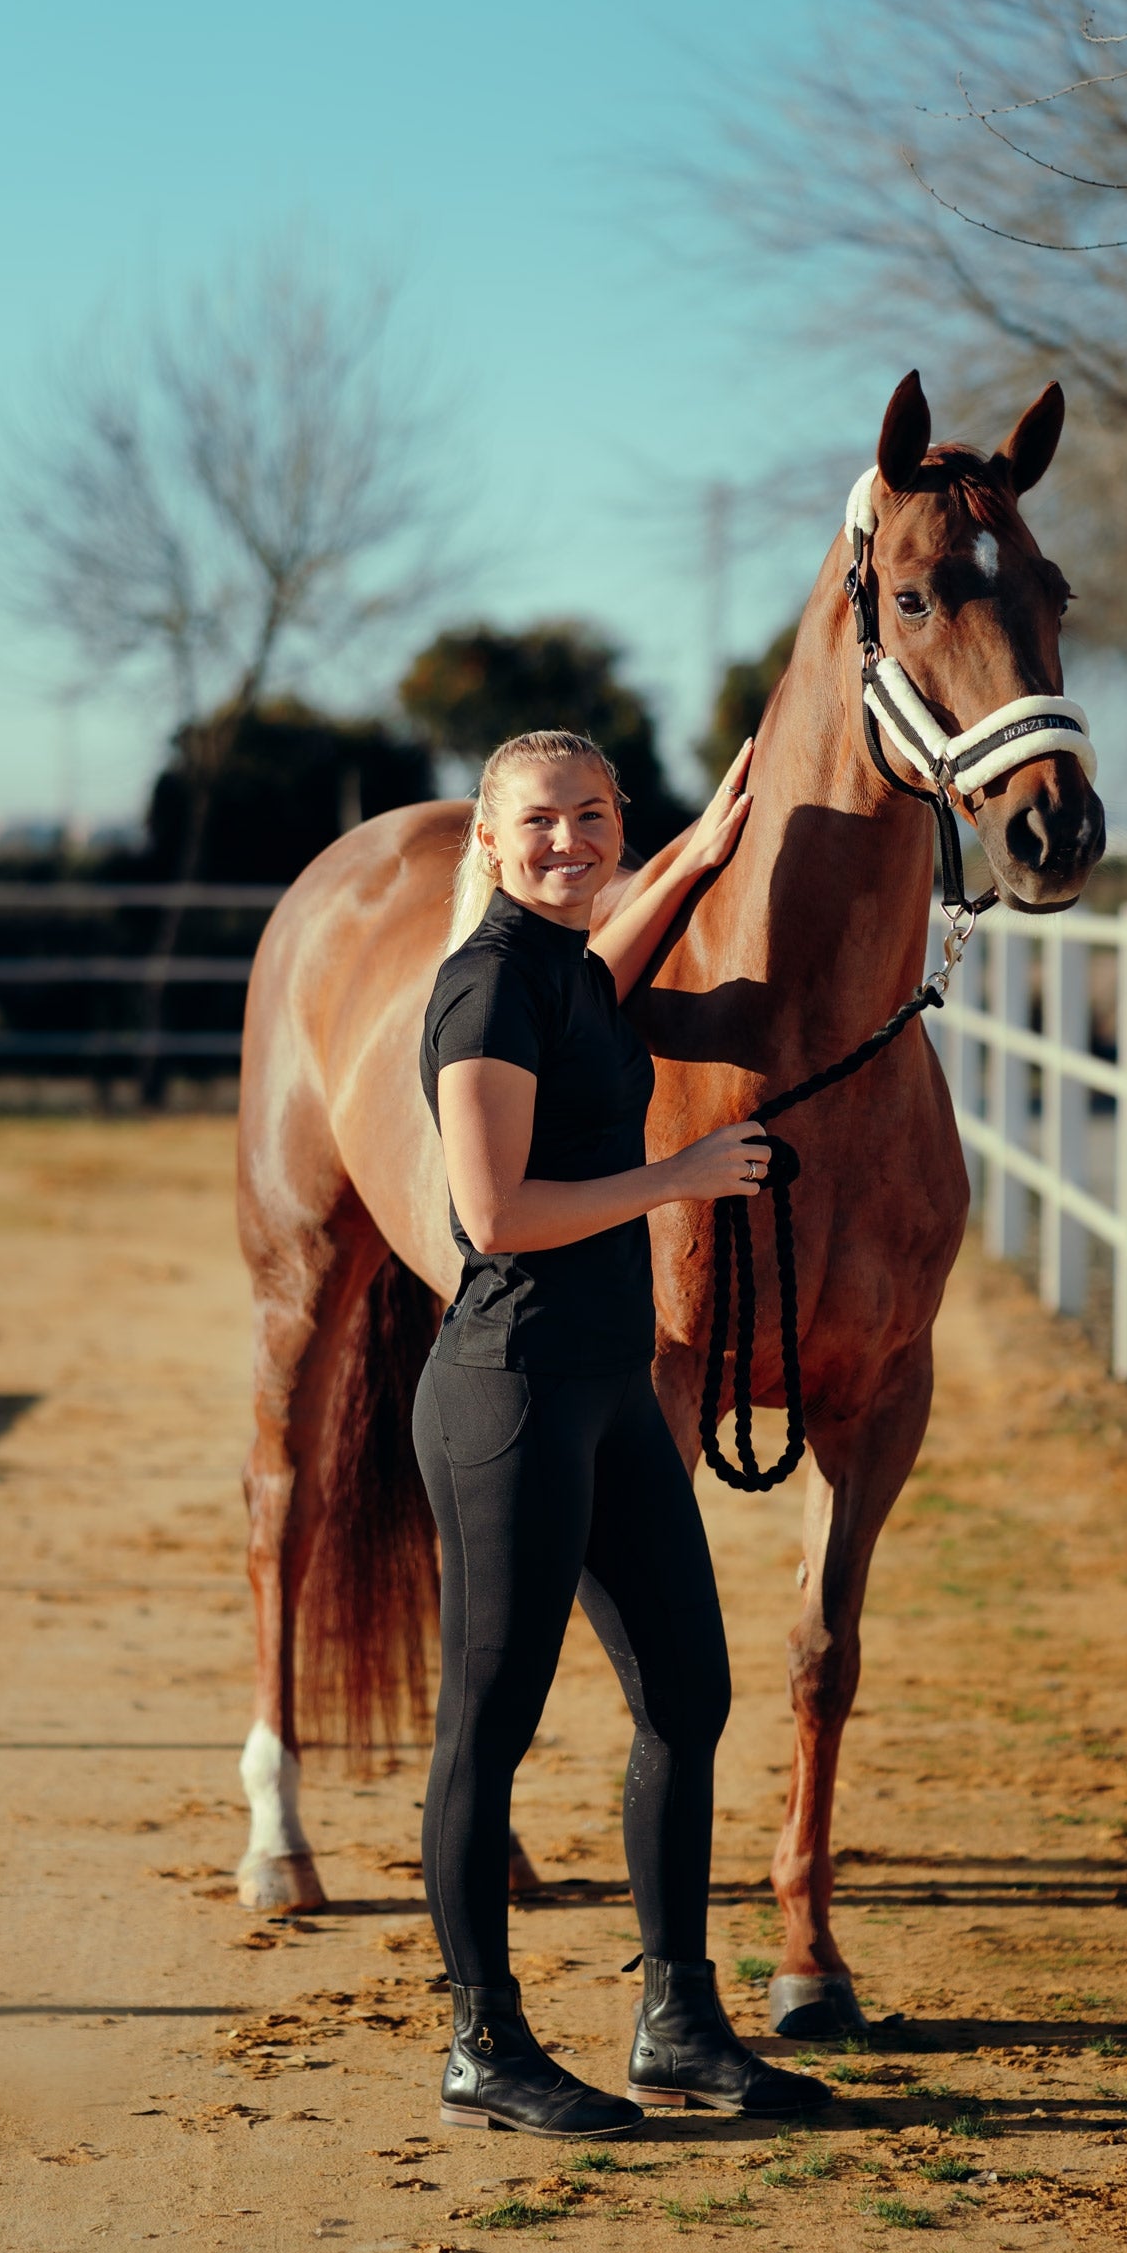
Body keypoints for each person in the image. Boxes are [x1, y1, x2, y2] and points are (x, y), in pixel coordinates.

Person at [414, 727, 831, 2138]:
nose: (571, 843)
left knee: (688, 1696)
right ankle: (486, 2044)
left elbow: (609, 946)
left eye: (595, 817)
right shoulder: (484, 994)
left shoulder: (577, 975)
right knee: (493, 1723)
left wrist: (702, 851)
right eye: (539, 822)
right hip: (511, 1393)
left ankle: (677, 2018)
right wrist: (684, 1176)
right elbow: (498, 1216)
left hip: (607, 1392)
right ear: (487, 839)